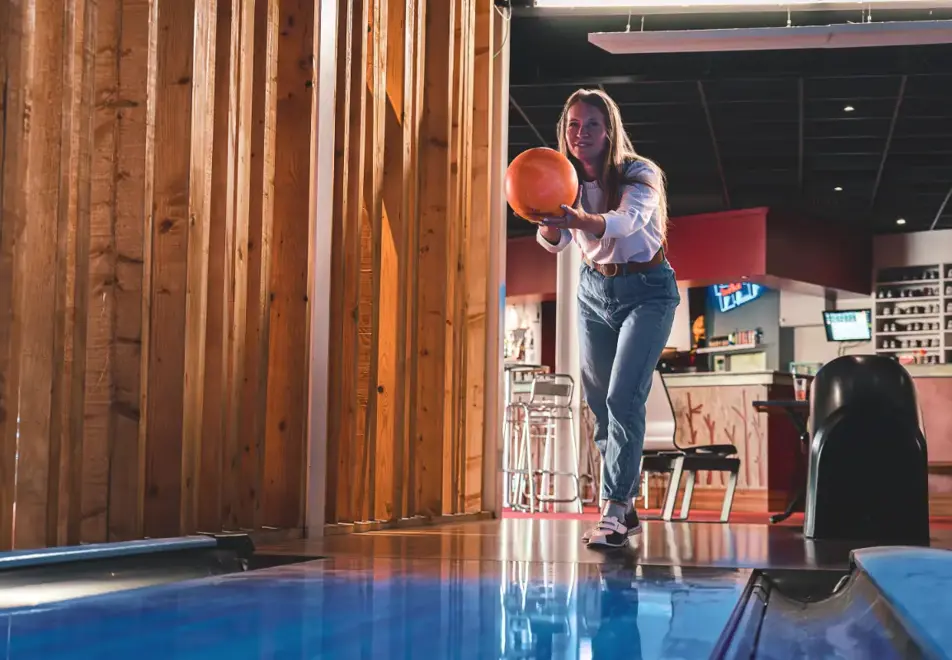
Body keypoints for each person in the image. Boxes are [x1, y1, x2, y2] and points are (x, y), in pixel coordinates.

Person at [533, 88, 680, 548]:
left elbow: (624, 224)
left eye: (592, 125)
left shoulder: (640, 172)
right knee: (599, 405)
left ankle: (614, 509)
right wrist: (546, 220)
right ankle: (625, 510)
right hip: (593, 290)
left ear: (609, 130)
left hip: (649, 290)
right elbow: (554, 244)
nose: (581, 134)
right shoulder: (564, 178)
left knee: (622, 398)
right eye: (573, 125)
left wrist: (574, 220)